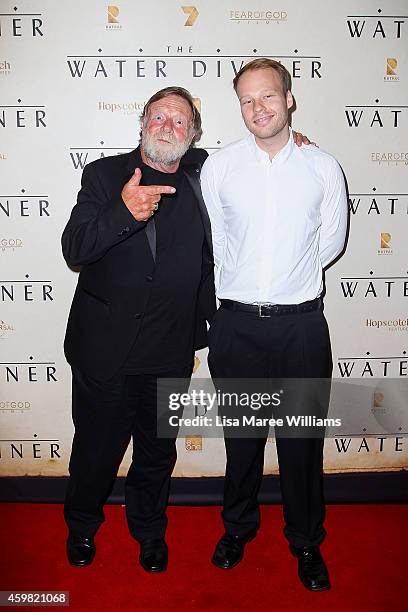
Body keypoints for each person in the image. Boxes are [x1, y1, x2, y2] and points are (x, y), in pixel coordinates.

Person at [200, 58, 348, 591]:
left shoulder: (323, 168)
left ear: (289, 98)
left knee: (301, 445)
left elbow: (329, 244)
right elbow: (215, 241)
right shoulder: (218, 167)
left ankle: (306, 542)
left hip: (301, 329)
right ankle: (237, 529)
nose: (258, 108)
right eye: (246, 100)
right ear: (238, 106)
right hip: (236, 328)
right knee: (241, 441)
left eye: (268, 96)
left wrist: (288, 284)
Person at [62, 86, 216, 572]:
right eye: (159, 116)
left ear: (192, 136)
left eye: (179, 121)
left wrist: (293, 141)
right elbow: (75, 249)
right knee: (95, 453)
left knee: (156, 456)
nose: (167, 126)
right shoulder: (105, 175)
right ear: (142, 122)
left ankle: (149, 530)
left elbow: (258, 153)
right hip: (106, 352)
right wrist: (122, 213)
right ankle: (82, 525)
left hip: (169, 353)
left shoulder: (200, 174)